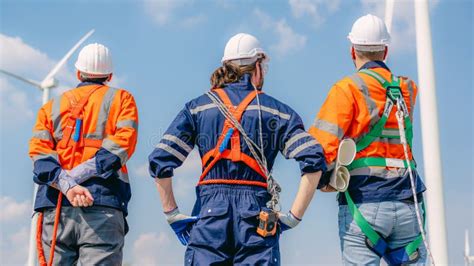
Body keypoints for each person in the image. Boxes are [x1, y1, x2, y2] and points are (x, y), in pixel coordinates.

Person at [148, 33, 326, 265]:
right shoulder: (278, 112)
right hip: (257, 214)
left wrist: (172, 213)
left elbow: (161, 160)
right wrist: (294, 217)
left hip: (210, 212)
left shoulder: (197, 108)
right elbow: (313, 158)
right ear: (258, 66)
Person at [309, 14, 428, 265]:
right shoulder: (408, 89)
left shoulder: (347, 89)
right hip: (409, 205)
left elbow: (319, 149)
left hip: (365, 205)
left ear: (353, 52)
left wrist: (323, 183)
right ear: (386, 51)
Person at [29, 43, 138, 265]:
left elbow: (39, 155)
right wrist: (77, 178)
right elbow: (121, 146)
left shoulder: (50, 107)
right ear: (109, 75)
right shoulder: (122, 100)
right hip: (102, 203)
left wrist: (67, 182)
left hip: (55, 206)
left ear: (78, 72)